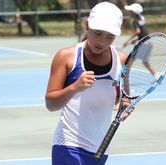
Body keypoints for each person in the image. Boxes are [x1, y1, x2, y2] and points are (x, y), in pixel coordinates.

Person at [45, 2, 132, 165]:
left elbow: (120, 98)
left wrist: (125, 104)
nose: (102, 41)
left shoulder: (122, 60)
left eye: (110, 37)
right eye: (97, 33)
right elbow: (50, 103)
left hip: (100, 149)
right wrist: (74, 87)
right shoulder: (66, 57)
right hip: (68, 146)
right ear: (87, 26)